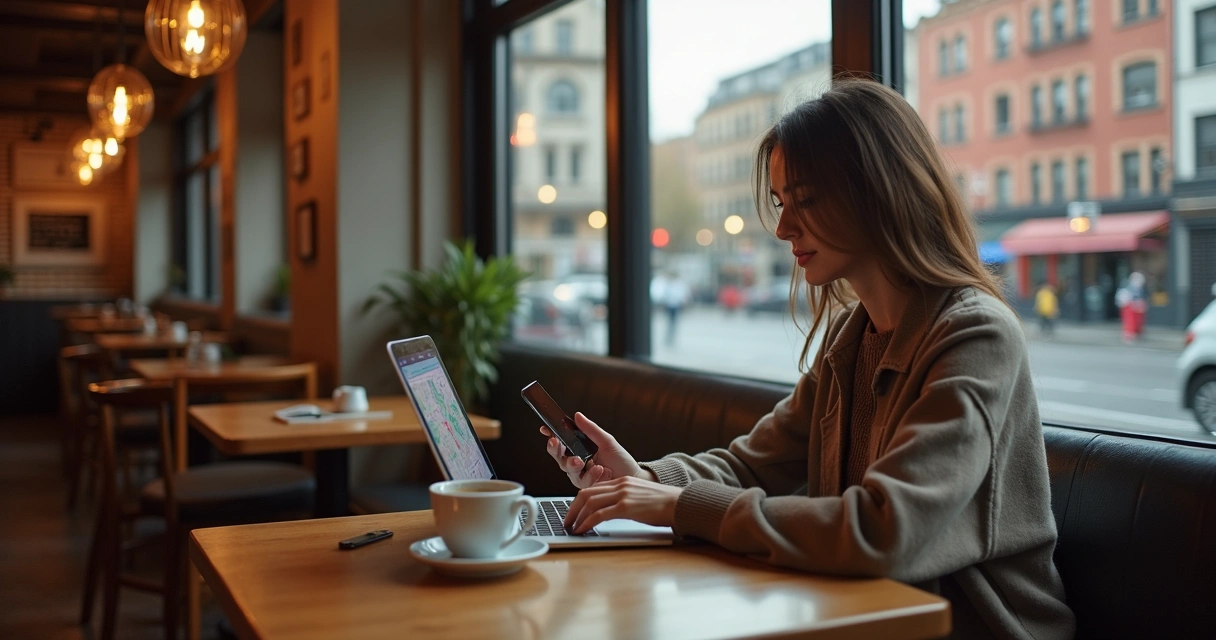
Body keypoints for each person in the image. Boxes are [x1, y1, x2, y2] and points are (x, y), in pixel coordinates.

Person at [538, 80, 1074, 639]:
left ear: (878, 190)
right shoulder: (854, 332)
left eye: (806, 200)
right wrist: (644, 478)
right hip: (863, 614)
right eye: (780, 202)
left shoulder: (975, 334)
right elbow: (751, 465)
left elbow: (884, 531)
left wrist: (675, 505)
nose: (783, 227)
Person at [1116, 272, 1147, 343]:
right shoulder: (1128, 287)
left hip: (1137, 308)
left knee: (1137, 321)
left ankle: (1136, 334)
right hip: (1129, 308)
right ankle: (1128, 335)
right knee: (1130, 321)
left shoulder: (1139, 288)